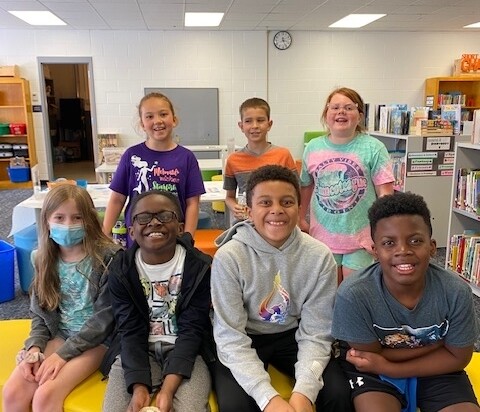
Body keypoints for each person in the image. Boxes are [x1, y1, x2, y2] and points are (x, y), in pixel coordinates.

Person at [211, 165, 353, 412]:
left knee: (338, 394)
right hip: (244, 337)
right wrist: (268, 398)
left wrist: (304, 393)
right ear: (249, 210)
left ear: (299, 208)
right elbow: (230, 335)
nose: (276, 210)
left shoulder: (319, 256)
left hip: (294, 334)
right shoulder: (229, 257)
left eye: (286, 202)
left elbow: (317, 331)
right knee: (234, 405)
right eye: (265, 202)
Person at [331, 192, 480, 412]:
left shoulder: (455, 292)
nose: (403, 250)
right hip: (375, 373)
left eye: (415, 241)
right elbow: (370, 357)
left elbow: (459, 358)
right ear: (375, 251)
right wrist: (439, 345)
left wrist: (391, 368)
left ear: (432, 247)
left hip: (438, 370)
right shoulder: (353, 294)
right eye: (389, 243)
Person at [2, 184, 119, 412]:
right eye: (59, 217)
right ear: (46, 221)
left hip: (98, 341)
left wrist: (61, 356)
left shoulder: (109, 258)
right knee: (13, 392)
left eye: (77, 218)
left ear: (89, 220)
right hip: (60, 334)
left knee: (45, 395)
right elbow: (40, 313)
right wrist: (34, 348)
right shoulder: (42, 259)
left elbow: (103, 322)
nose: (67, 225)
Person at [102, 190, 214, 412]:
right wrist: (139, 387)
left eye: (165, 216)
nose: (154, 222)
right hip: (138, 350)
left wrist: (168, 390)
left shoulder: (199, 267)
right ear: (131, 231)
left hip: (187, 349)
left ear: (180, 227)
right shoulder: (120, 270)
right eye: (143, 218)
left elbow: (192, 329)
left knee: (191, 408)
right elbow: (129, 329)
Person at [299, 87, 394, 283]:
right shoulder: (313, 148)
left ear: (359, 116)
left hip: (362, 238)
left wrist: (382, 231)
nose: (341, 112)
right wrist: (300, 218)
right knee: (327, 292)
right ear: (326, 114)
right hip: (323, 237)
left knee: (354, 292)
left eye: (349, 108)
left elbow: (385, 193)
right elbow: (306, 186)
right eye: (335, 107)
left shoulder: (374, 148)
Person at [103, 92, 205, 245]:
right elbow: (117, 199)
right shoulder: (131, 155)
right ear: (142, 125)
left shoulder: (186, 158)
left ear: (174, 119)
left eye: (163, 114)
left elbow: (192, 203)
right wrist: (104, 234)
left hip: (173, 238)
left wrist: (187, 239)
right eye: (149, 116)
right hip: (138, 237)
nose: (157, 121)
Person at [223, 97, 297, 223]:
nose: (255, 126)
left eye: (260, 120)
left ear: (269, 124)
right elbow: (229, 197)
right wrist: (234, 207)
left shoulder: (283, 155)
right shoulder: (233, 160)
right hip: (246, 223)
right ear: (241, 126)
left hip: (276, 221)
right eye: (248, 121)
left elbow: (296, 193)